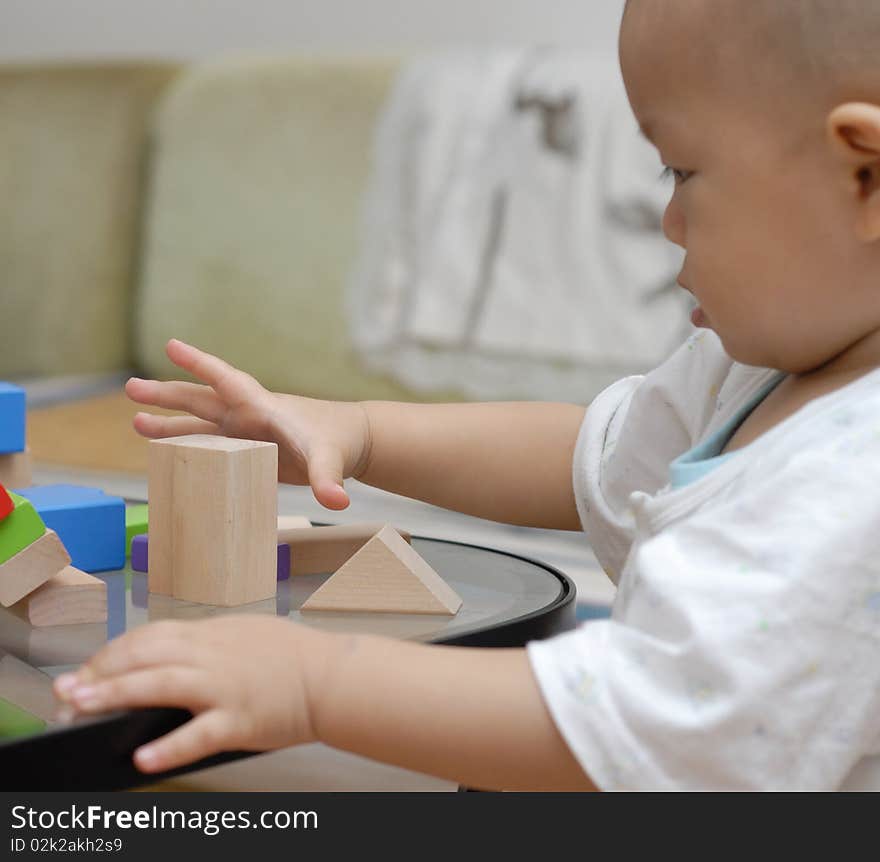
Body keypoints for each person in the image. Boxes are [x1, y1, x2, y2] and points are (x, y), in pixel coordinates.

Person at [54, 0, 880, 790]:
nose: (666, 221)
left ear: (865, 177)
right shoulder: (757, 370)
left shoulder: (853, 483)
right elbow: (589, 454)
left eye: (682, 169)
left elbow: (641, 724)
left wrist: (314, 684)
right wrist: (361, 430)